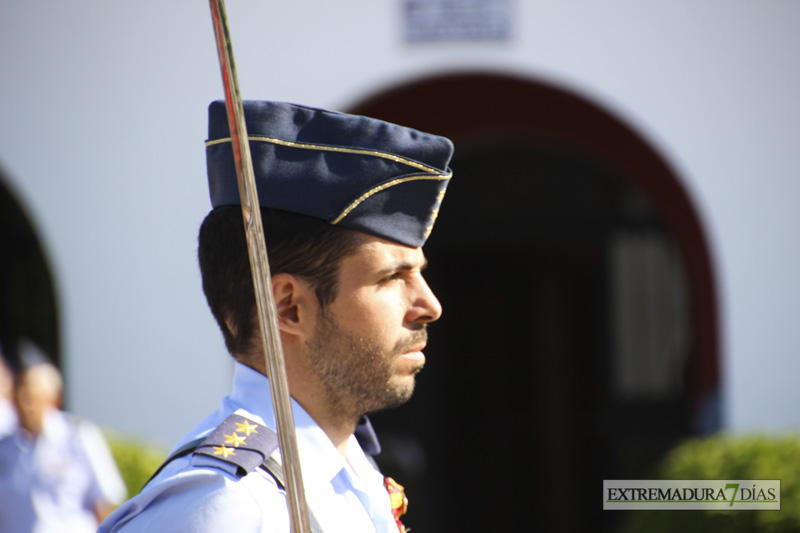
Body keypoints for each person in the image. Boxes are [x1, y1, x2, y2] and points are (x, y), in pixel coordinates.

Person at [99, 100, 454, 532]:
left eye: (419, 273)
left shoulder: (349, 469)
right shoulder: (224, 506)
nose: (430, 306)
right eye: (392, 277)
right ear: (287, 305)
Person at [0, 355, 127, 532]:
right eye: (19, 396)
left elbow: (104, 503)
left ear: (54, 399)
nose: (24, 405)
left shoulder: (78, 438)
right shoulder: (5, 448)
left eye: (31, 397)